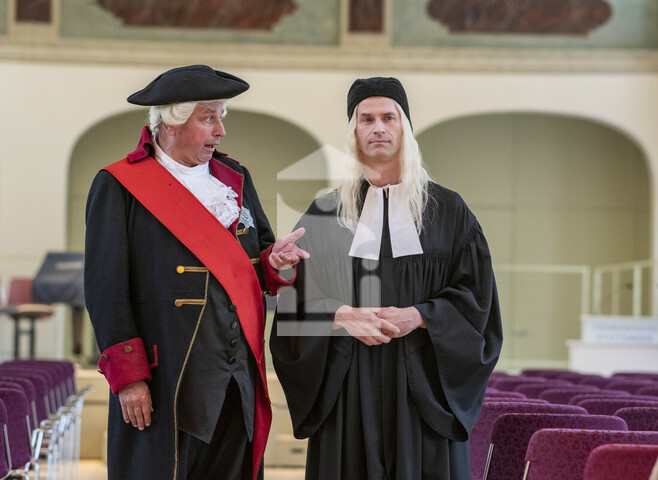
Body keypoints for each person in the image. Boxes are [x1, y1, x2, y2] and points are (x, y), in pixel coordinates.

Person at [270, 77, 503, 479]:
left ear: (404, 127)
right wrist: (342, 315)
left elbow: (478, 302)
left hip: (424, 395)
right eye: (367, 119)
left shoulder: (448, 211)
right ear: (354, 132)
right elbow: (293, 304)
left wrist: (421, 315)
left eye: (388, 117)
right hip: (346, 391)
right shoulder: (324, 214)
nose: (378, 128)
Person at [84, 65, 308, 480]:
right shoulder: (119, 185)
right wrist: (129, 378)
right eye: (209, 118)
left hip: (236, 375)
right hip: (168, 377)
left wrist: (274, 262)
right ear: (170, 122)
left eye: (221, 117)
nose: (220, 131)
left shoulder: (235, 178)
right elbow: (105, 290)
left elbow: (254, 264)